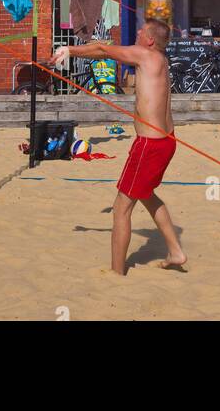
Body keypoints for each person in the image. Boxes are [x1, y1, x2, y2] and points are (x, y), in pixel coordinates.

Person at [49, 20, 186, 276]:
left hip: (150, 144)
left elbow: (103, 49)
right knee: (147, 195)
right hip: (166, 141)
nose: (137, 32)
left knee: (121, 208)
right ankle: (175, 250)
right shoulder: (160, 59)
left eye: (141, 31)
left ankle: (116, 273)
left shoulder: (145, 55)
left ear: (150, 40)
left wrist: (69, 50)